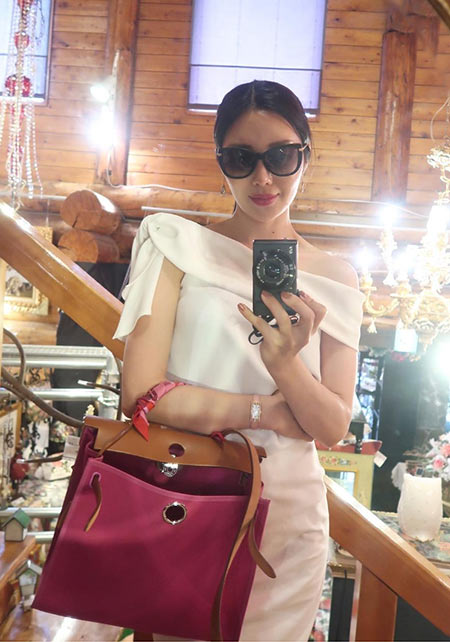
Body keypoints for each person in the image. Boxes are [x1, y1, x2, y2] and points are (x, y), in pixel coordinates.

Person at [113, 80, 364, 642]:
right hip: (184, 494)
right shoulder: (175, 247)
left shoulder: (337, 278)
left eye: (281, 156)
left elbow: (331, 426)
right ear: (220, 162)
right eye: (241, 159)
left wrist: (286, 365)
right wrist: (264, 411)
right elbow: (140, 394)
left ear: (305, 155)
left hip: (288, 517)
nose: (263, 178)